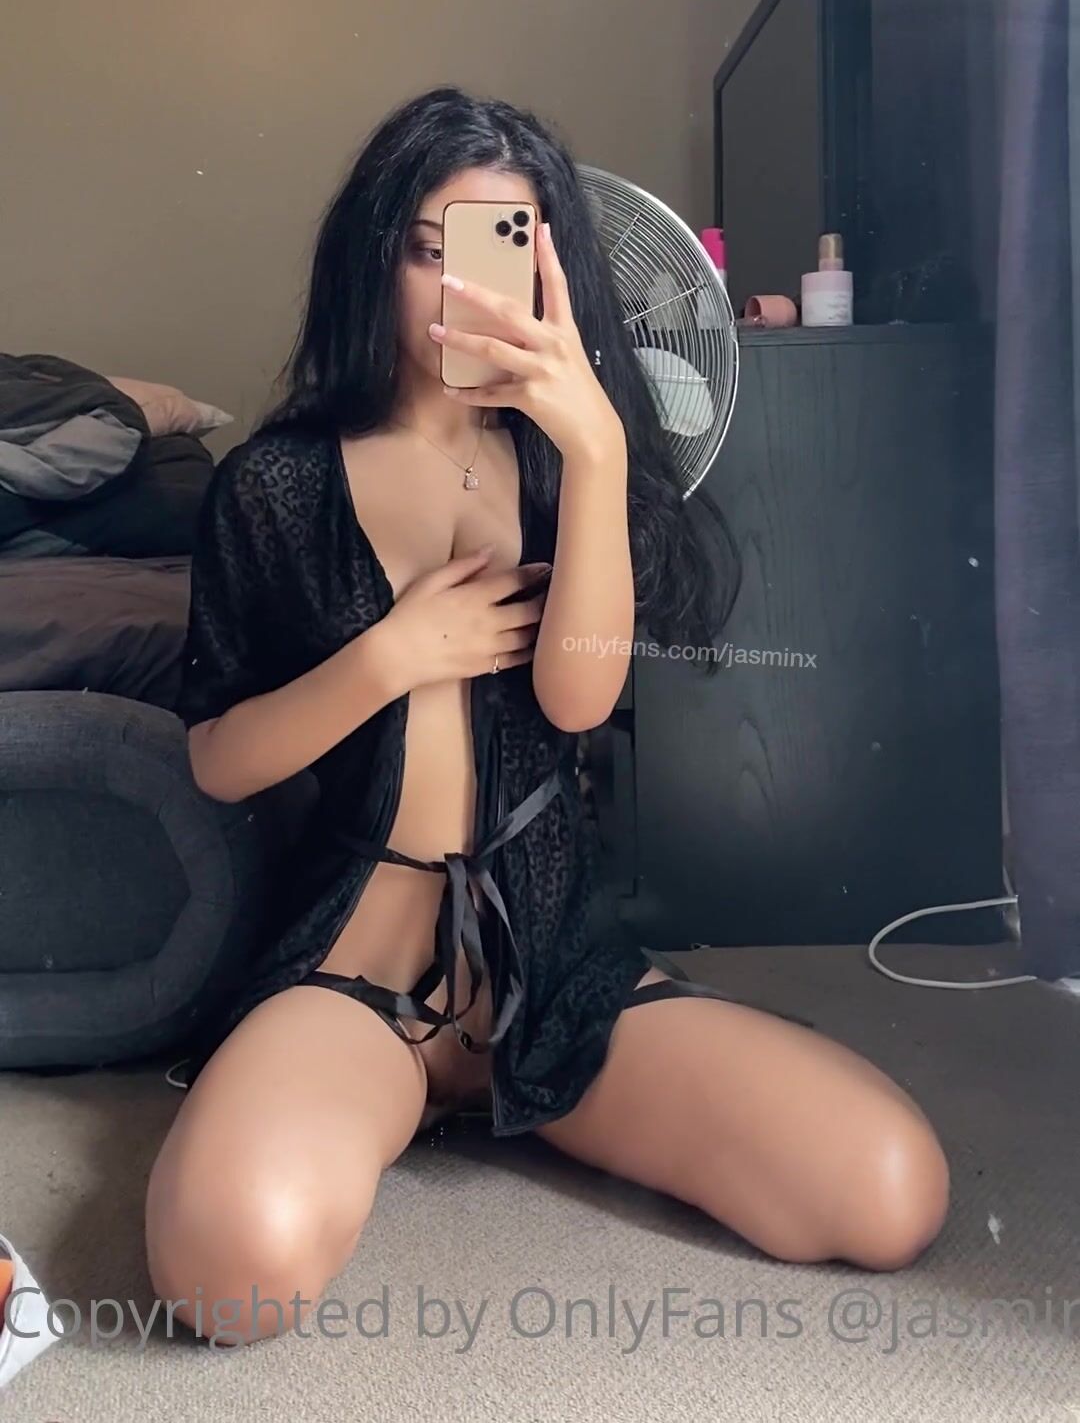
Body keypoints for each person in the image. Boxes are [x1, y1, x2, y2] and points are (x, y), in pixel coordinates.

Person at [145, 88, 949, 1345]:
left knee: (891, 1191)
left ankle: (514, 1091)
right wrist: (392, 655)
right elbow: (217, 760)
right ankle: (385, 1096)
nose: (459, 290)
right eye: (429, 249)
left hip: (556, 967)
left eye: (498, 250)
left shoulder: (566, 468)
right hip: (356, 971)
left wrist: (596, 452)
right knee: (227, 1271)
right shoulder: (277, 484)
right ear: (375, 258)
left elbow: (577, 698)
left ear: (551, 271)